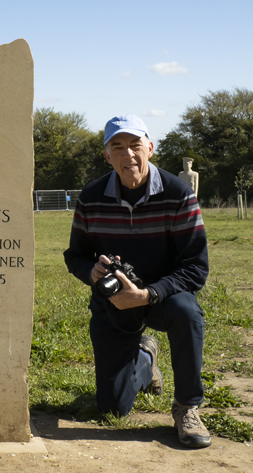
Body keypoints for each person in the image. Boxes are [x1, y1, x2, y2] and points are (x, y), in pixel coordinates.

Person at [63, 114, 211, 448]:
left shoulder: (178, 193)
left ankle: (187, 407)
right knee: (112, 408)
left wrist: (147, 294)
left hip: (164, 297)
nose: (128, 154)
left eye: (135, 145)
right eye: (117, 147)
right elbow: (76, 255)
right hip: (114, 302)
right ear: (106, 155)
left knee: (187, 313)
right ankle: (146, 359)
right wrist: (93, 272)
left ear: (150, 148)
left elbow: (195, 268)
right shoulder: (91, 196)